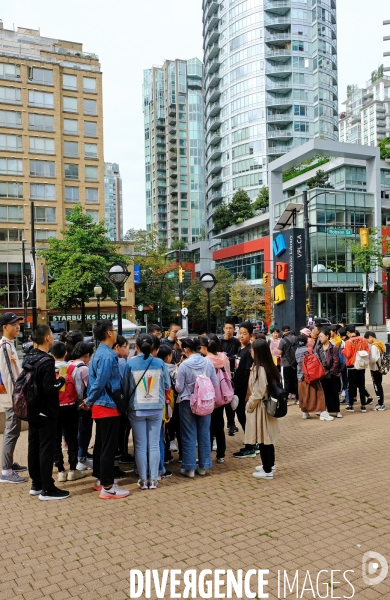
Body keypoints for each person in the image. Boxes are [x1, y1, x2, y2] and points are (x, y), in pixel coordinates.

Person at [81, 320, 129, 499]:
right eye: (114, 330)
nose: (115, 332)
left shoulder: (98, 353)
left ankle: (102, 480)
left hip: (101, 406)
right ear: (109, 333)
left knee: (102, 446)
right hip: (107, 405)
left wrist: (90, 400)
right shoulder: (108, 356)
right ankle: (108, 487)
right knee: (107, 448)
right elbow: (101, 381)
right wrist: (89, 399)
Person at [26, 325, 69, 500]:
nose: (53, 337)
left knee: (33, 446)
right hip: (46, 411)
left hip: (32, 409)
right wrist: (61, 380)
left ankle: (36, 483)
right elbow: (49, 388)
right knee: (46, 448)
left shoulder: (29, 357)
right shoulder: (47, 360)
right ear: (46, 338)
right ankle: (47, 488)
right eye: (51, 335)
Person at [123, 334, 171, 490]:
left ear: (136, 347)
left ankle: (143, 479)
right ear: (152, 347)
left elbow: (126, 387)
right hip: (156, 407)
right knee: (154, 444)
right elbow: (166, 385)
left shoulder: (130, 364)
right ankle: (154, 478)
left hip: (136, 408)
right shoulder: (160, 363)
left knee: (140, 445)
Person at [175, 338, 217, 478]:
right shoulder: (208, 362)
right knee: (204, 434)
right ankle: (204, 466)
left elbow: (179, 387)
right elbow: (215, 383)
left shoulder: (184, 365)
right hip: (205, 402)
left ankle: (189, 468)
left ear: (186, 350)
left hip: (188, 401)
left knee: (189, 434)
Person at [244, 339, 280, 480]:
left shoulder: (260, 369)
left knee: (263, 439)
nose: (250, 352)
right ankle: (269, 465)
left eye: (252, 350)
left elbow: (258, 392)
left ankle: (267, 471)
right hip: (266, 407)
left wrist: (249, 405)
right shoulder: (268, 366)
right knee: (267, 438)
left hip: (261, 408)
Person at [52, 342, 86, 483]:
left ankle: (60, 470)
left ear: (52, 354)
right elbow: (78, 389)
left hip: (54, 408)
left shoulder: (48, 368)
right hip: (70, 407)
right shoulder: (72, 368)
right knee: (72, 438)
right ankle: (73, 470)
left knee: (55, 439)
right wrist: (78, 401)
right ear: (66, 353)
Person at [0, 312, 26, 484]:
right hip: (11, 397)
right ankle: (6, 471)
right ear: (5, 327)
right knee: (11, 431)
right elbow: (7, 376)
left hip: (12, 396)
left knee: (14, 431)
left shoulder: (9, 345)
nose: (17, 326)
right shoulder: (4, 347)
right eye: (13, 323)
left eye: (18, 323)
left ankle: (9, 465)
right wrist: (16, 398)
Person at [201, 334, 231, 464]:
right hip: (222, 395)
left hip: (210, 397)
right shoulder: (224, 358)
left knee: (208, 427)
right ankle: (221, 454)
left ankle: (207, 455)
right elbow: (228, 375)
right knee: (220, 426)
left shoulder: (206, 361)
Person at [295, 334, 326, 420]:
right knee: (318, 393)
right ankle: (322, 412)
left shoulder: (297, 351)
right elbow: (317, 359)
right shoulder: (309, 350)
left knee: (303, 395)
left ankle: (305, 412)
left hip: (300, 376)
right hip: (311, 376)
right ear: (306, 342)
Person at [113, 336, 133, 464]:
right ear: (117, 347)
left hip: (112, 403)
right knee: (124, 430)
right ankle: (123, 453)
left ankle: (119, 452)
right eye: (126, 347)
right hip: (121, 402)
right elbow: (125, 383)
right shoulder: (122, 362)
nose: (128, 350)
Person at [219, 318, 240, 437]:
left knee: (230, 398)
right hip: (220, 375)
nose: (228, 330)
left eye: (230, 328)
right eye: (226, 328)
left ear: (234, 329)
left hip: (232, 374)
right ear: (223, 329)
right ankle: (222, 425)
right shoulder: (219, 341)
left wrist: (227, 358)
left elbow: (237, 357)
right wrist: (230, 357)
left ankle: (231, 424)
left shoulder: (236, 342)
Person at [342, 325, 369, 413]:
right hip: (361, 365)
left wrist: (343, 350)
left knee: (351, 386)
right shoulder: (364, 339)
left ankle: (351, 406)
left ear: (348, 332)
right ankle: (363, 406)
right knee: (361, 385)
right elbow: (368, 351)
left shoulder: (348, 342)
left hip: (351, 365)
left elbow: (348, 354)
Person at [315, 327, 341, 419]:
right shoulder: (318, 348)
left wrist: (332, 371)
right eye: (319, 337)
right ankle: (324, 410)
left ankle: (337, 411)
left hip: (332, 373)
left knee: (333, 392)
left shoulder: (332, 347)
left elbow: (336, 361)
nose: (320, 338)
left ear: (327, 336)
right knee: (323, 393)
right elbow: (316, 361)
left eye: (321, 336)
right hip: (322, 374)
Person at [233, 322, 254, 433]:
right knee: (240, 414)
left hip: (244, 390)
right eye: (240, 333)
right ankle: (249, 440)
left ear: (250, 335)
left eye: (244, 333)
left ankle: (251, 443)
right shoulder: (240, 349)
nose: (241, 336)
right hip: (238, 388)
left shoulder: (250, 351)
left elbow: (249, 373)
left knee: (244, 415)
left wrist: (248, 393)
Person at [364, 332, 386, 411]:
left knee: (377, 386)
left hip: (375, 368)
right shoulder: (380, 343)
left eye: (367, 339)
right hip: (380, 367)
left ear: (370, 337)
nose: (367, 341)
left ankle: (380, 404)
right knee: (379, 385)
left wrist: (367, 358)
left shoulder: (374, 346)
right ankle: (381, 403)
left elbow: (373, 359)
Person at [277, 325, 298, 402]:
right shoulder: (296, 338)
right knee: (296, 381)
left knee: (287, 381)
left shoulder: (283, 340)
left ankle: (285, 398)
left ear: (283, 332)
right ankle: (297, 398)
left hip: (286, 364)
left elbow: (279, 352)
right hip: (296, 363)